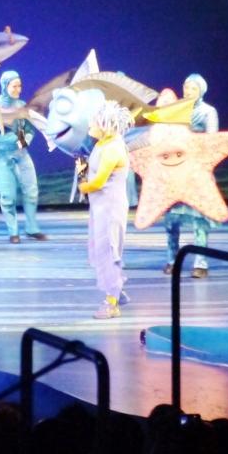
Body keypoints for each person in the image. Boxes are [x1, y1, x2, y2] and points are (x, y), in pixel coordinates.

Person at [78, 101, 133, 320]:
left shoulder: (113, 149)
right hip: (100, 206)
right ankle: (116, 290)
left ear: (105, 124)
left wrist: (82, 185)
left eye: (93, 122)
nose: (90, 126)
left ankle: (112, 301)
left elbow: (98, 182)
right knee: (101, 249)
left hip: (110, 208)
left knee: (109, 250)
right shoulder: (103, 144)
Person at [163, 74, 220, 278]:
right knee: (171, 220)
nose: (188, 91)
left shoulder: (208, 112)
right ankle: (172, 259)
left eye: (193, 88)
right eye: (186, 87)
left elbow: (211, 142)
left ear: (201, 91)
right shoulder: (174, 110)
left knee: (199, 220)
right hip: (175, 169)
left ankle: (200, 263)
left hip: (196, 171)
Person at [0, 70, 44, 245]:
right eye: (14, 86)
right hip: (2, 157)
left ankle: (32, 228)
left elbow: (30, 129)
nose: (18, 89)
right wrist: (13, 138)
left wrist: (26, 139)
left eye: (19, 86)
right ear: (5, 86)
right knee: (8, 196)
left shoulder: (22, 105)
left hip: (22, 154)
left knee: (31, 191)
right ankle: (13, 231)